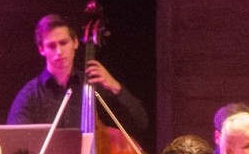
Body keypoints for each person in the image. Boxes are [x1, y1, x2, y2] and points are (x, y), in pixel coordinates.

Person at [8, 14, 148, 139]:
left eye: (64, 43)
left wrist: (115, 86)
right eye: (51, 46)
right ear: (41, 49)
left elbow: (140, 123)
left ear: (75, 42)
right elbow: (17, 144)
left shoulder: (93, 85)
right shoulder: (29, 96)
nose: (59, 51)